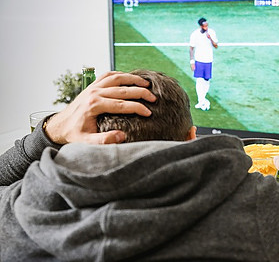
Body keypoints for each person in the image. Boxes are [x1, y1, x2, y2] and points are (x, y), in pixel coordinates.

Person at [1, 69, 279, 262]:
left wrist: (51, 130)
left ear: (90, 141)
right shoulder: (263, 205)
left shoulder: (22, 208)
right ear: (193, 138)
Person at [189, 17, 218, 111]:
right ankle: (200, 100)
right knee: (199, 80)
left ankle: (203, 98)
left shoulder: (212, 32)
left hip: (208, 60)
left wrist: (210, 38)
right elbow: (191, 48)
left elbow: (216, 46)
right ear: (201, 26)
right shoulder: (195, 34)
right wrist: (192, 61)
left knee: (206, 80)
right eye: (204, 25)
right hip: (199, 60)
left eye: (207, 25)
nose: (206, 27)